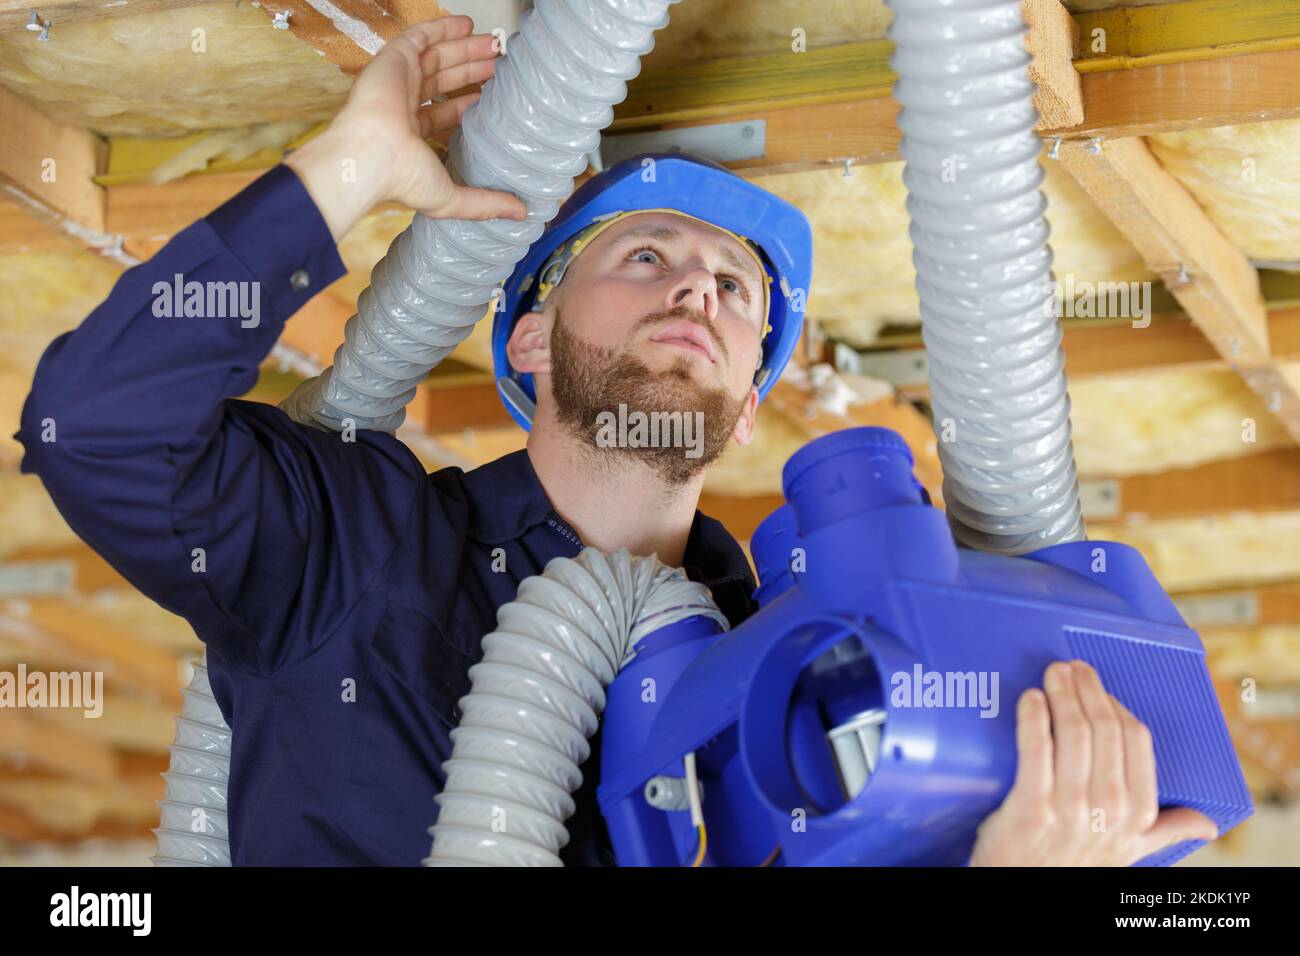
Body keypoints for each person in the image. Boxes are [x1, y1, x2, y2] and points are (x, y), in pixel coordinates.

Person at [16, 15, 1216, 866]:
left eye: (736, 290)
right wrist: (349, 169)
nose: (697, 290)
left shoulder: (807, 669)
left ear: (750, 407)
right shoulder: (358, 550)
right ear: (528, 340)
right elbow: (98, 425)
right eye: (645, 257)